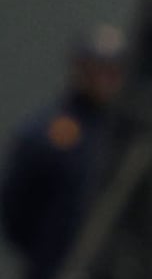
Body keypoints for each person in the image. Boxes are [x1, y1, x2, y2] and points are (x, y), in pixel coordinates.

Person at [1, 25, 126, 279]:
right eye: (98, 70)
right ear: (80, 68)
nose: (106, 80)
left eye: (114, 72)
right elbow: (14, 204)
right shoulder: (48, 133)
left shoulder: (118, 134)